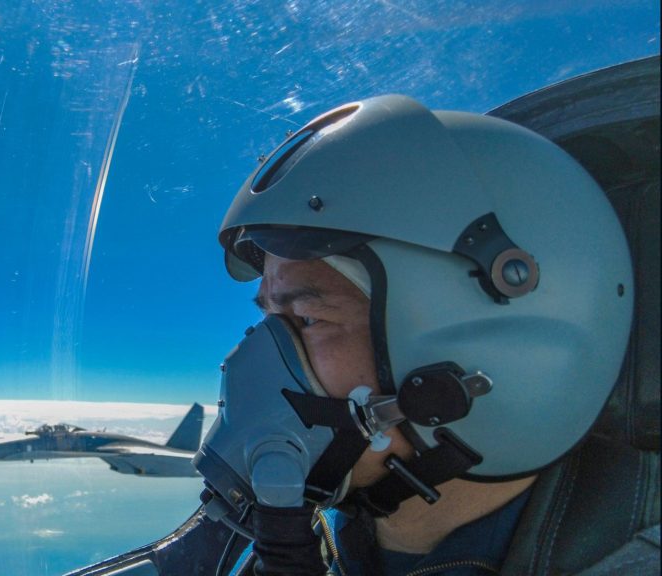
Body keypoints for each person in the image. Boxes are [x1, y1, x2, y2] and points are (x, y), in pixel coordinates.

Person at [198, 93, 656, 575]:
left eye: (309, 319)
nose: (253, 358)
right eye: (269, 318)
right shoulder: (287, 543)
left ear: (483, 346)